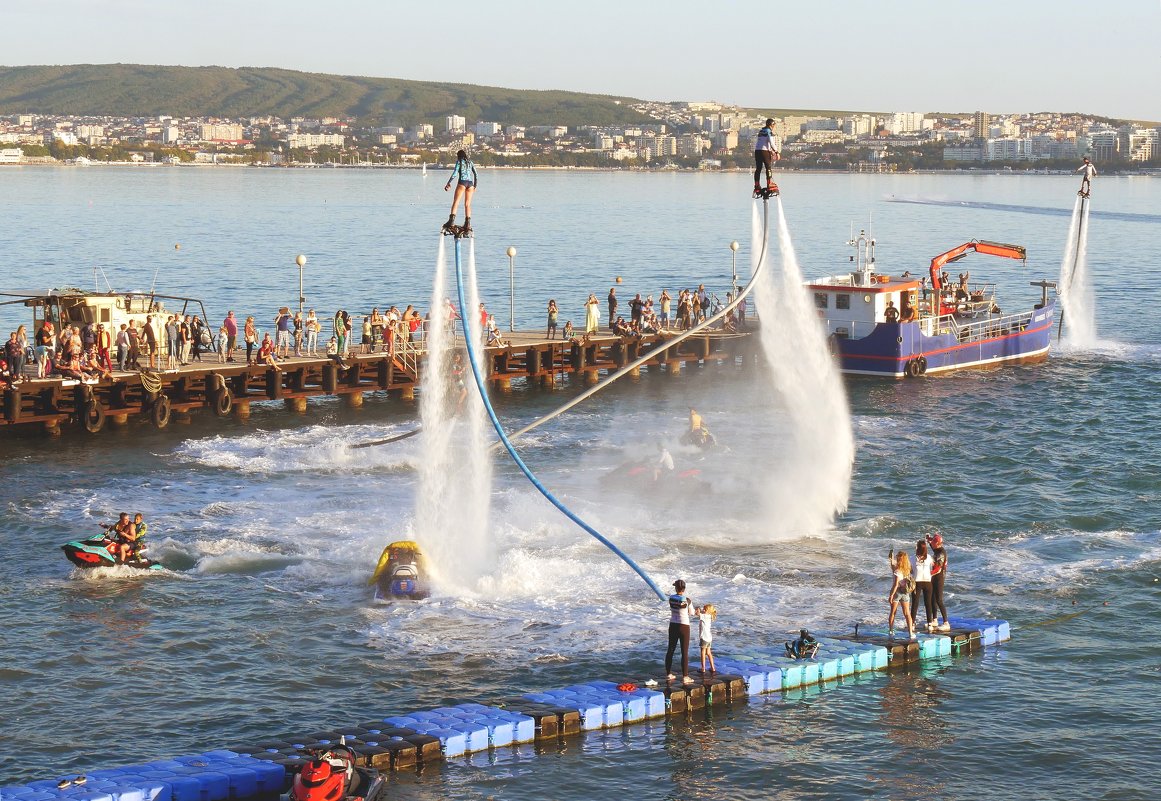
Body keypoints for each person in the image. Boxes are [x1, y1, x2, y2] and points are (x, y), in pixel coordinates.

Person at [665, 579, 697, 685]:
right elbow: (692, 613)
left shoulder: (671, 598)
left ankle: (669, 674)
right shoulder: (687, 600)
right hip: (684, 627)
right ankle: (685, 676)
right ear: (684, 589)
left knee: (671, 649)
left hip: (673, 625)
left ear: (676, 588)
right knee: (684, 652)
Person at [443, 149, 478, 234]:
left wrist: (448, 183)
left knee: (456, 202)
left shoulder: (459, 162)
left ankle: (451, 222)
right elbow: (476, 174)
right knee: (467, 205)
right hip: (470, 184)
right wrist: (475, 186)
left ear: (459, 155)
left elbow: (455, 173)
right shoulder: (470, 162)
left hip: (462, 182)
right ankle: (467, 224)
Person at [888, 548, 916, 640]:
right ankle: (911, 633)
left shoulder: (897, 571)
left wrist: (891, 595)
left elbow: (896, 585)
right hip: (905, 592)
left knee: (893, 612)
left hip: (897, 592)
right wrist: (891, 559)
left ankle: (891, 631)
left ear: (899, 559)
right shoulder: (907, 570)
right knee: (907, 613)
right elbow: (893, 566)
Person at [927, 533, 951, 631]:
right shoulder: (937, 549)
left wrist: (928, 574)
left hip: (939, 578)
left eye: (933, 542)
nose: (931, 543)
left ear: (937, 543)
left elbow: (938, 569)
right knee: (933, 598)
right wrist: (929, 540)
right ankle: (935, 619)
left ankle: (946, 622)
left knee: (939, 600)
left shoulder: (941, 553)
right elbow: (933, 546)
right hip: (934, 577)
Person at [753, 117, 782, 194]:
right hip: (764, 152)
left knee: (758, 169)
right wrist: (776, 152)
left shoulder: (761, 131)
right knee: (768, 168)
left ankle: (757, 185)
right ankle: (769, 184)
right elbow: (771, 142)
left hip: (757, 151)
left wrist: (770, 150)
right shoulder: (769, 131)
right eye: (773, 125)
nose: (774, 127)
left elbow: (763, 142)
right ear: (771, 125)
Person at [912, 540, 935, 631]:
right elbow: (933, 566)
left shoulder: (913, 558)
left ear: (917, 548)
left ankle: (912, 623)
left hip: (917, 582)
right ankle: (930, 623)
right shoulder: (929, 557)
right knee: (927, 603)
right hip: (927, 581)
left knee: (915, 603)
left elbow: (910, 569)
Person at [698, 603, 717, 675]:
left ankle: (703, 668)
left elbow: (697, 614)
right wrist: (701, 611)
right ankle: (713, 668)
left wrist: (698, 609)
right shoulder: (709, 616)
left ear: (708, 611)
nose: (703, 610)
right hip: (709, 638)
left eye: (704, 609)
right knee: (708, 653)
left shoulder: (704, 616)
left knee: (703, 653)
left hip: (704, 637)